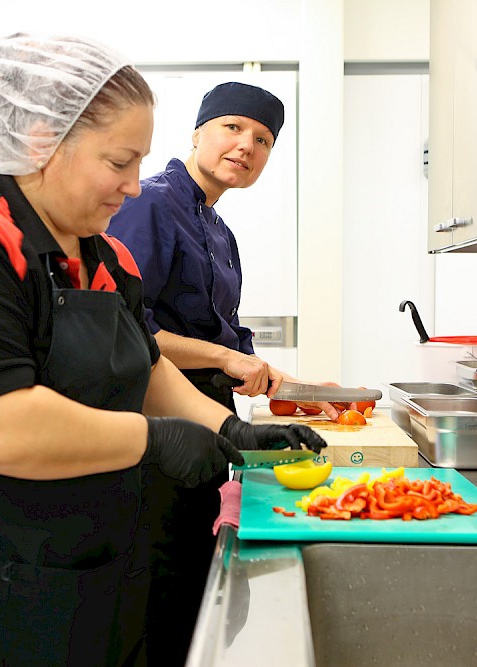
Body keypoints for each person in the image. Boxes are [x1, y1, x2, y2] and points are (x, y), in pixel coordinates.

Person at [0, 34, 326, 667]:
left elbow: (148, 361)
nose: (135, 187)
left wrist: (229, 429)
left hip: (85, 561)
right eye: (118, 162)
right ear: (39, 141)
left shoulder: (105, 254)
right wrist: (154, 440)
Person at [107, 82, 336, 665]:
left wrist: (296, 389)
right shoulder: (150, 204)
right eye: (233, 128)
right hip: (158, 425)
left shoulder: (218, 229)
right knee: (159, 595)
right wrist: (225, 359)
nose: (247, 146)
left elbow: (229, 341)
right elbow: (129, 331)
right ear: (198, 133)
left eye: (263, 139)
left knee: (197, 589)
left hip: (212, 423)